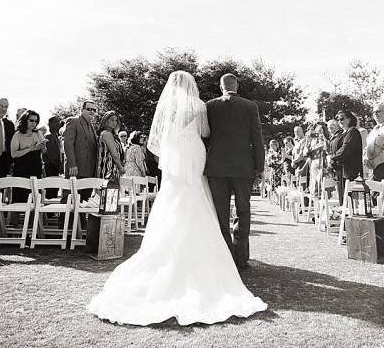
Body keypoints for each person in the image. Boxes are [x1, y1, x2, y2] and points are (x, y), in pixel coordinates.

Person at [88, 71, 267, 325]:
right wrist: (257, 165)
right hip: (210, 160)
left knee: (193, 206)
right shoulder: (206, 106)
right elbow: (214, 133)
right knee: (226, 207)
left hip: (187, 161)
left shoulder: (188, 106)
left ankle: (215, 251)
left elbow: (165, 139)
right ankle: (236, 257)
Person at [204, 73, 264, 270]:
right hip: (242, 167)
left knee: (220, 213)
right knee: (243, 211)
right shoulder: (250, 106)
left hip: (216, 167)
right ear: (236, 85)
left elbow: (205, 137)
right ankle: (241, 257)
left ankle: (225, 256)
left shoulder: (210, 105)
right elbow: (257, 138)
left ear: (221, 86)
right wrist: (260, 167)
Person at [62, 102, 99, 198]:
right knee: (70, 201)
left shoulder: (91, 126)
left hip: (89, 171)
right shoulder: (74, 121)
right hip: (76, 170)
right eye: (89, 109)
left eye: (94, 110)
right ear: (82, 110)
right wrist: (73, 164)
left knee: (85, 203)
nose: (92, 112)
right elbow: (68, 144)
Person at [10, 110, 46, 202]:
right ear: (25, 120)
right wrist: (31, 148)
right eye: (31, 120)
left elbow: (44, 152)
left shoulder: (38, 133)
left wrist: (43, 146)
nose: (34, 123)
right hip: (21, 170)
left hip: (35, 169)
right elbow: (14, 154)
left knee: (35, 199)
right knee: (18, 199)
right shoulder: (17, 135)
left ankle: (34, 217)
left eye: (36, 121)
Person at [331, 110, 363, 203]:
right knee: (343, 199)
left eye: (342, 118)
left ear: (349, 119)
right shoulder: (342, 133)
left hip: (350, 171)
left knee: (351, 200)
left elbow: (346, 148)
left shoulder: (353, 131)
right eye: (338, 119)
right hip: (341, 170)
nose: (340, 121)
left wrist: (332, 159)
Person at [97, 111, 125, 180]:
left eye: (116, 121)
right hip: (108, 170)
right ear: (105, 120)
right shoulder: (107, 134)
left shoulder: (110, 134)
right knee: (109, 190)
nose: (114, 123)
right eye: (112, 120)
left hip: (108, 170)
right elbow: (114, 153)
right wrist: (120, 167)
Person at [42, 116, 64, 199]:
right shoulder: (49, 137)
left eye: (58, 122)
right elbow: (51, 156)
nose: (58, 124)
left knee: (54, 190)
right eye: (55, 122)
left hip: (55, 167)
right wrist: (59, 166)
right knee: (50, 192)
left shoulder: (56, 136)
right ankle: (49, 211)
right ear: (49, 124)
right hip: (50, 167)